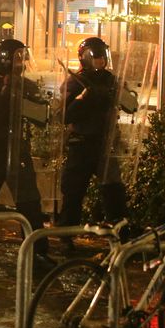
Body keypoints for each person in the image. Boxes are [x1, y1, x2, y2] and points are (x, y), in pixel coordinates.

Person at [0, 39, 54, 268]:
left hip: (17, 150)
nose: (21, 63)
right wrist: (6, 90)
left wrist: (40, 104)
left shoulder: (24, 85)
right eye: (16, 58)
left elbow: (40, 116)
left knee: (30, 202)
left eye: (23, 58)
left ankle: (37, 251)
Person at [57, 37, 127, 233]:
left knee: (114, 190)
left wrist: (123, 96)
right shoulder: (75, 82)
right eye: (97, 58)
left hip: (105, 144)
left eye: (103, 58)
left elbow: (129, 103)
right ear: (86, 59)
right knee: (73, 192)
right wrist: (82, 98)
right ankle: (66, 234)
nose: (101, 62)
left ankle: (120, 232)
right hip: (81, 144)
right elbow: (63, 114)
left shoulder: (111, 80)